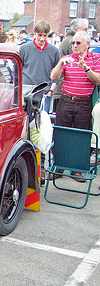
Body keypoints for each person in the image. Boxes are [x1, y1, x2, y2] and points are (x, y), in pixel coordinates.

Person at [50, 31, 100, 181]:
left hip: (84, 102)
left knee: (82, 136)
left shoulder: (96, 58)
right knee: (61, 133)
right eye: (73, 43)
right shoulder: (67, 59)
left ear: (87, 44)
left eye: (78, 43)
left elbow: (97, 80)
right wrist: (60, 64)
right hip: (67, 100)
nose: (75, 46)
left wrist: (85, 68)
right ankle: (58, 167)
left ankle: (77, 170)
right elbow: (54, 76)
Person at [19, 20, 60, 113]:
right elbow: (17, 71)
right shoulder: (24, 48)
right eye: (39, 35)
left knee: (43, 123)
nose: (42, 39)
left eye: (45, 35)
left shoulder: (54, 51)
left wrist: (51, 91)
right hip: (26, 92)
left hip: (44, 93)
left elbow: (58, 74)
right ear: (34, 32)